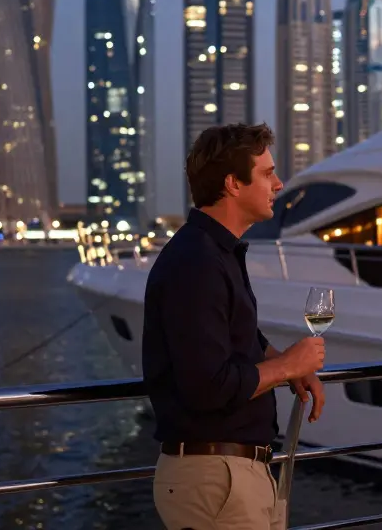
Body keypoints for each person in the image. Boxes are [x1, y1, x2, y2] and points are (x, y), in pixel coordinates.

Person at [143, 122, 327, 530]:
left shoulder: (215, 253)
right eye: (267, 173)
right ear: (233, 183)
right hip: (216, 480)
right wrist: (287, 366)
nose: (278, 184)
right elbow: (208, 386)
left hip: (231, 476)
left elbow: (238, 338)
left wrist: (287, 365)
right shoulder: (197, 262)